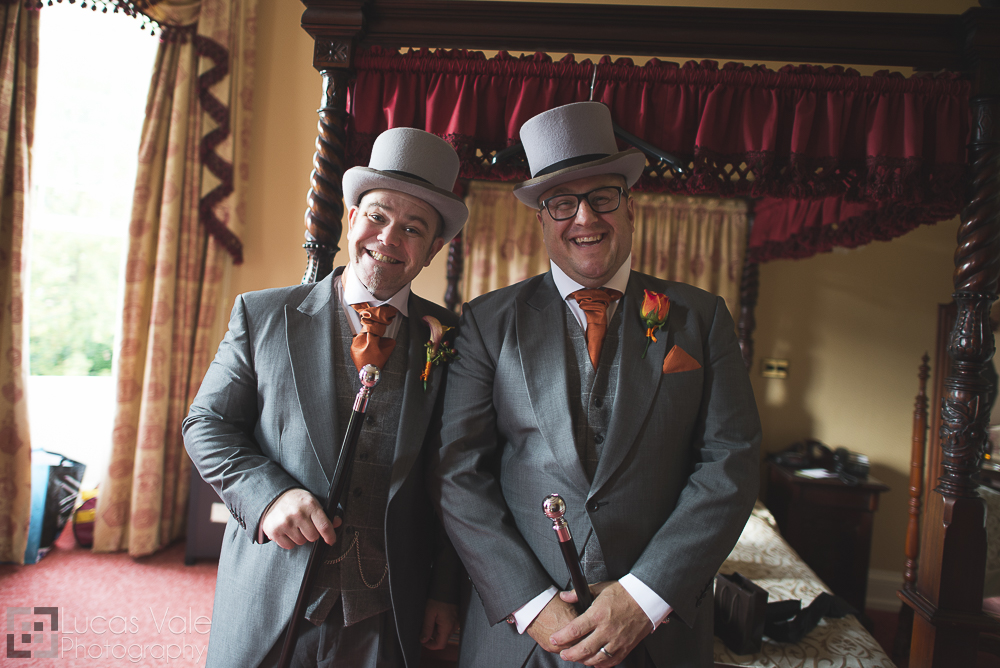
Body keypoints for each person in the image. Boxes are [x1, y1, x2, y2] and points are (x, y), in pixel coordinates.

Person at [432, 101, 762, 668]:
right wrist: (531, 603)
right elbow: (457, 471)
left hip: (658, 636)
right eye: (562, 203)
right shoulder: (486, 322)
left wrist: (645, 595)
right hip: (520, 639)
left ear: (630, 207)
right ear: (541, 219)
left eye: (602, 197)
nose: (584, 218)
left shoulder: (701, 318)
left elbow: (730, 462)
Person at [183, 127, 467, 668]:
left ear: (434, 249)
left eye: (413, 228)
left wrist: (445, 590)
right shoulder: (262, 314)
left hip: (388, 608)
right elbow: (205, 424)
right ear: (352, 217)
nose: (389, 238)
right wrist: (268, 496)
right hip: (271, 593)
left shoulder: (456, 338)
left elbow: (458, 473)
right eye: (378, 216)